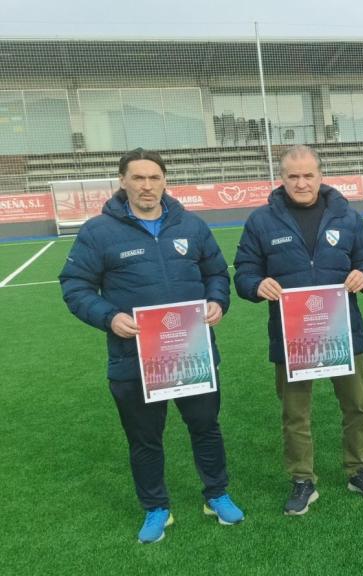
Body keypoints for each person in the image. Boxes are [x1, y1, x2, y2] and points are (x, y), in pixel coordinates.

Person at [59, 149, 243, 544]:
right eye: (138, 178)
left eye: (154, 177)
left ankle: (217, 494)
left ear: (164, 181)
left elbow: (216, 272)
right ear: (122, 181)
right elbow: (74, 286)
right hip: (133, 360)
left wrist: (217, 301)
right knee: (145, 438)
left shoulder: (191, 226)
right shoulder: (98, 232)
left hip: (193, 352)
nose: (146, 185)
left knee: (206, 428)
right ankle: (156, 508)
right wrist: (109, 317)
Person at [233, 145, 363, 515]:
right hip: (292, 337)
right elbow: (243, 273)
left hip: (344, 332)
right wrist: (256, 285)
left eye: (308, 175)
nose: (301, 183)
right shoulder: (261, 221)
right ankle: (303, 479)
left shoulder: (347, 217)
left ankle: (358, 469)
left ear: (321, 175)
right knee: (296, 414)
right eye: (293, 176)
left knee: (357, 406)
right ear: (281, 178)